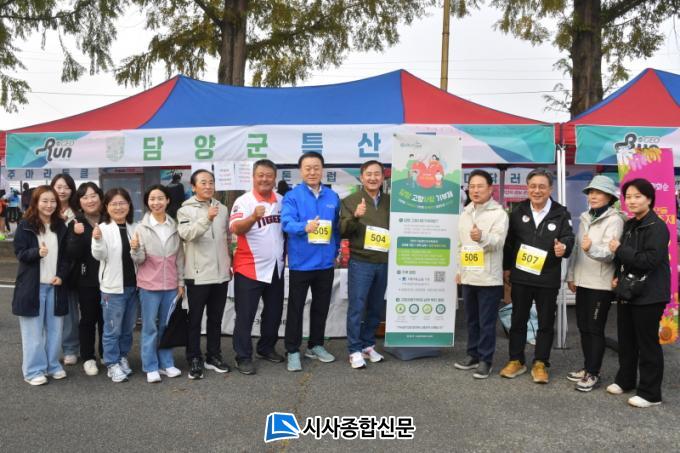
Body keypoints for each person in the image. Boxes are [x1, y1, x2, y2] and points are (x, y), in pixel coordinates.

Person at [500, 168, 574, 384]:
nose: (537, 190)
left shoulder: (561, 213)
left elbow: (569, 238)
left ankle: (540, 362)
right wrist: (507, 268)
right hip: (521, 276)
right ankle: (516, 360)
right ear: (527, 188)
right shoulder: (517, 211)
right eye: (533, 186)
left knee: (545, 322)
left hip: (547, 277)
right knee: (518, 320)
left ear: (550, 189)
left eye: (542, 186)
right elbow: (509, 243)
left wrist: (563, 247)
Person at [607, 178, 670, 408]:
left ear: (649, 199)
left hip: (650, 293)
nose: (632, 201)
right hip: (628, 290)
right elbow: (624, 258)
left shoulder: (657, 227)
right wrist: (617, 274)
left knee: (647, 344)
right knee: (627, 340)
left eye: (637, 196)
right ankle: (625, 380)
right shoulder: (631, 224)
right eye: (628, 197)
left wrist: (620, 249)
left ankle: (651, 394)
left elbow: (649, 260)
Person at [282, 151, 341, 372]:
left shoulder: (332, 197)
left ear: (322, 170)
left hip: (325, 264)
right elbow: (286, 223)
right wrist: (304, 227)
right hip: (301, 263)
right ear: (301, 171)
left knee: (321, 307)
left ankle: (315, 345)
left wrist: (336, 250)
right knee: (295, 309)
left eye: (316, 168)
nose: (312, 172)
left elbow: (336, 229)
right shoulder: (292, 196)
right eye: (308, 168)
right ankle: (292, 350)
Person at [565, 175, 624, 392]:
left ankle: (593, 373)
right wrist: (571, 275)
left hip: (601, 283)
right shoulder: (585, 217)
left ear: (609, 197)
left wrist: (591, 249)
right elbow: (577, 249)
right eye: (591, 192)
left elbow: (610, 253)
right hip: (583, 281)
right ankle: (588, 367)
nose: (593, 196)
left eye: (598, 192)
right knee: (583, 327)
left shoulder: (615, 220)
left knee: (595, 328)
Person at [229, 159, 285, 375]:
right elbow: (236, 228)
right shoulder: (243, 201)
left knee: (274, 312)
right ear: (253, 177)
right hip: (249, 268)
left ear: (275, 178)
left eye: (269, 175)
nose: (264, 179)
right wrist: (253, 217)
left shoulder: (281, 200)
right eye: (260, 175)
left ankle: (266, 348)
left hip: (275, 268)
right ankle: (243, 356)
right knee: (245, 315)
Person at [12, 186, 70, 385]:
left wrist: (61, 276)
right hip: (32, 286)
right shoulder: (25, 225)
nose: (49, 205)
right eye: (44, 201)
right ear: (36, 203)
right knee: (33, 332)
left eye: (53, 201)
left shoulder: (61, 226)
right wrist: (36, 252)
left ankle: (52, 365)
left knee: (55, 330)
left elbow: (66, 257)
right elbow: (20, 253)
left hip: (55, 285)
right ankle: (33, 371)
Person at [177, 169, 232, 379]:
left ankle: (213, 356)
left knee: (216, 319)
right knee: (195, 320)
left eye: (211, 182)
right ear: (193, 187)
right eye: (203, 182)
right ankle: (194, 358)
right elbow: (186, 234)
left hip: (221, 275)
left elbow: (226, 238)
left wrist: (229, 263)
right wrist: (207, 219)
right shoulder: (185, 210)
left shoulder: (222, 208)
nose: (208, 186)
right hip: (198, 274)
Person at [454, 169, 509, 379]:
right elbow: (460, 246)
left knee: (486, 322)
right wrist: (459, 270)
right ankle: (473, 355)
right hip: (469, 275)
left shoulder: (499, 214)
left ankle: (486, 359)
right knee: (471, 320)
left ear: (490, 189)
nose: (475, 190)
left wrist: (482, 237)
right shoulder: (465, 213)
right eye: (472, 186)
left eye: (480, 186)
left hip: (488, 278)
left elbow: (498, 242)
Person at [131, 184, 184, 383]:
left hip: (170, 285)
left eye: (160, 198)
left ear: (167, 200)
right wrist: (135, 249)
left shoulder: (174, 226)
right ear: (147, 202)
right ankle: (150, 366)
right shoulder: (141, 227)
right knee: (149, 328)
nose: (156, 202)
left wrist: (181, 283)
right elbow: (138, 260)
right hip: (148, 286)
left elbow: (180, 257)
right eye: (152, 199)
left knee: (166, 326)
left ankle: (166, 363)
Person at [340, 160, 390, 369]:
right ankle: (354, 349)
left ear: (383, 177)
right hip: (361, 262)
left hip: (383, 261)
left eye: (377, 174)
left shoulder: (389, 201)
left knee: (376, 307)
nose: (373, 178)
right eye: (368, 174)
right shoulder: (350, 201)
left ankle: (368, 345)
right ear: (361, 177)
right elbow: (342, 230)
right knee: (357, 306)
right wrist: (355, 216)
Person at [91, 188, 139, 383]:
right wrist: (97, 239)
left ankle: (122, 357)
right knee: (112, 329)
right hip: (112, 289)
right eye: (114, 204)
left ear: (129, 205)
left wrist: (137, 249)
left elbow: (140, 258)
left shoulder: (135, 227)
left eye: (122, 203)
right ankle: (111, 363)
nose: (119, 207)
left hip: (134, 287)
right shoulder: (102, 228)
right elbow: (99, 255)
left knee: (128, 328)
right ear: (106, 207)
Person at [66, 182, 105, 377]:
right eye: (85, 197)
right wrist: (76, 235)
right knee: (88, 319)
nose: (90, 200)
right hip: (86, 279)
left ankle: (106, 353)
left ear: (100, 197)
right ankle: (88, 357)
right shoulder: (76, 222)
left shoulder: (109, 219)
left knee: (107, 319)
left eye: (93, 195)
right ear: (79, 202)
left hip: (110, 279)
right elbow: (71, 253)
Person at [50, 173, 80, 366]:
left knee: (70, 312)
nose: (62, 191)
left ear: (72, 190)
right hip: (48, 267)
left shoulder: (76, 213)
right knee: (48, 312)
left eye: (66, 187)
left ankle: (70, 349)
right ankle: (51, 351)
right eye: (58, 187)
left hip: (71, 269)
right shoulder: (45, 209)